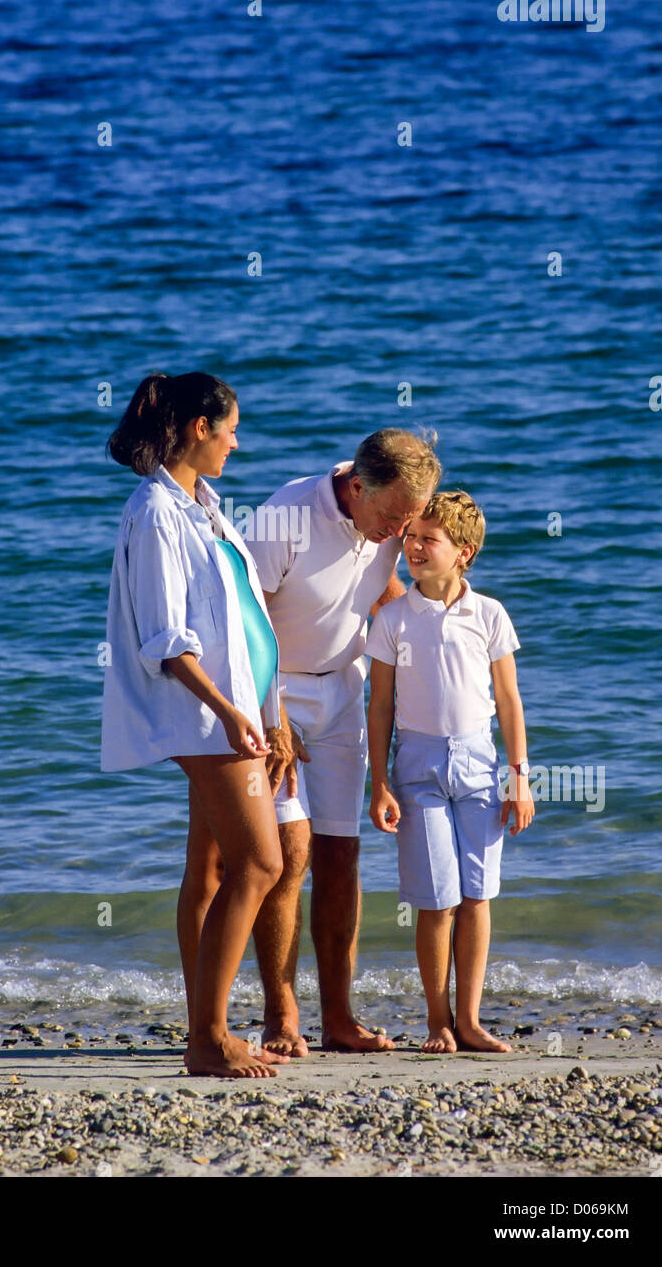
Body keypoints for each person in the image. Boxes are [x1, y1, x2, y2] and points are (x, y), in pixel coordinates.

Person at [100, 371, 289, 1078]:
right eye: (231, 429)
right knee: (263, 863)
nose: (237, 444)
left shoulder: (201, 504)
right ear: (199, 428)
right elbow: (167, 639)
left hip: (236, 715)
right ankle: (209, 1039)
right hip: (209, 721)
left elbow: (241, 617)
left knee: (210, 870)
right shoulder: (156, 512)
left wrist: (271, 713)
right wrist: (234, 713)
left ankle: (204, 1031)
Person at [244, 429, 441, 1056]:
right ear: (356, 489)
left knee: (339, 855)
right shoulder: (286, 516)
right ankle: (281, 1016)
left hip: (344, 693)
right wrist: (268, 711)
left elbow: (376, 592)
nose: (401, 532)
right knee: (289, 848)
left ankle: (339, 1019)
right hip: (274, 691)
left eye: (411, 518)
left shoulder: (386, 514)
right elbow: (240, 617)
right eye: (392, 517)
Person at [366, 490, 535, 1054]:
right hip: (416, 766)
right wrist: (380, 781)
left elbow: (508, 701)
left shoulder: (488, 613)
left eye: (427, 539)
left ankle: (470, 1020)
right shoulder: (392, 617)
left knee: (477, 896)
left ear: (463, 552)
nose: (413, 546)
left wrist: (520, 776)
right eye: (410, 536)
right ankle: (438, 1021)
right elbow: (381, 706)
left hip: (480, 765)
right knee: (436, 899)